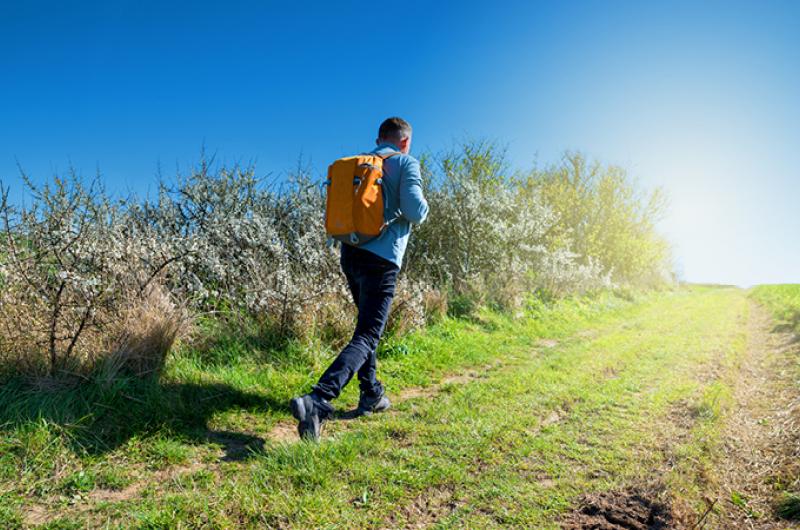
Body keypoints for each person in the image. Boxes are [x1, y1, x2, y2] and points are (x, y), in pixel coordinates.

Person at [290, 117, 429, 440]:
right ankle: (319, 399)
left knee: (365, 329)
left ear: (379, 137)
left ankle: (371, 393)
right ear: (405, 141)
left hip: (350, 254)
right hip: (382, 260)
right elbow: (415, 210)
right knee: (368, 334)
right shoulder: (406, 163)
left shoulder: (357, 165)